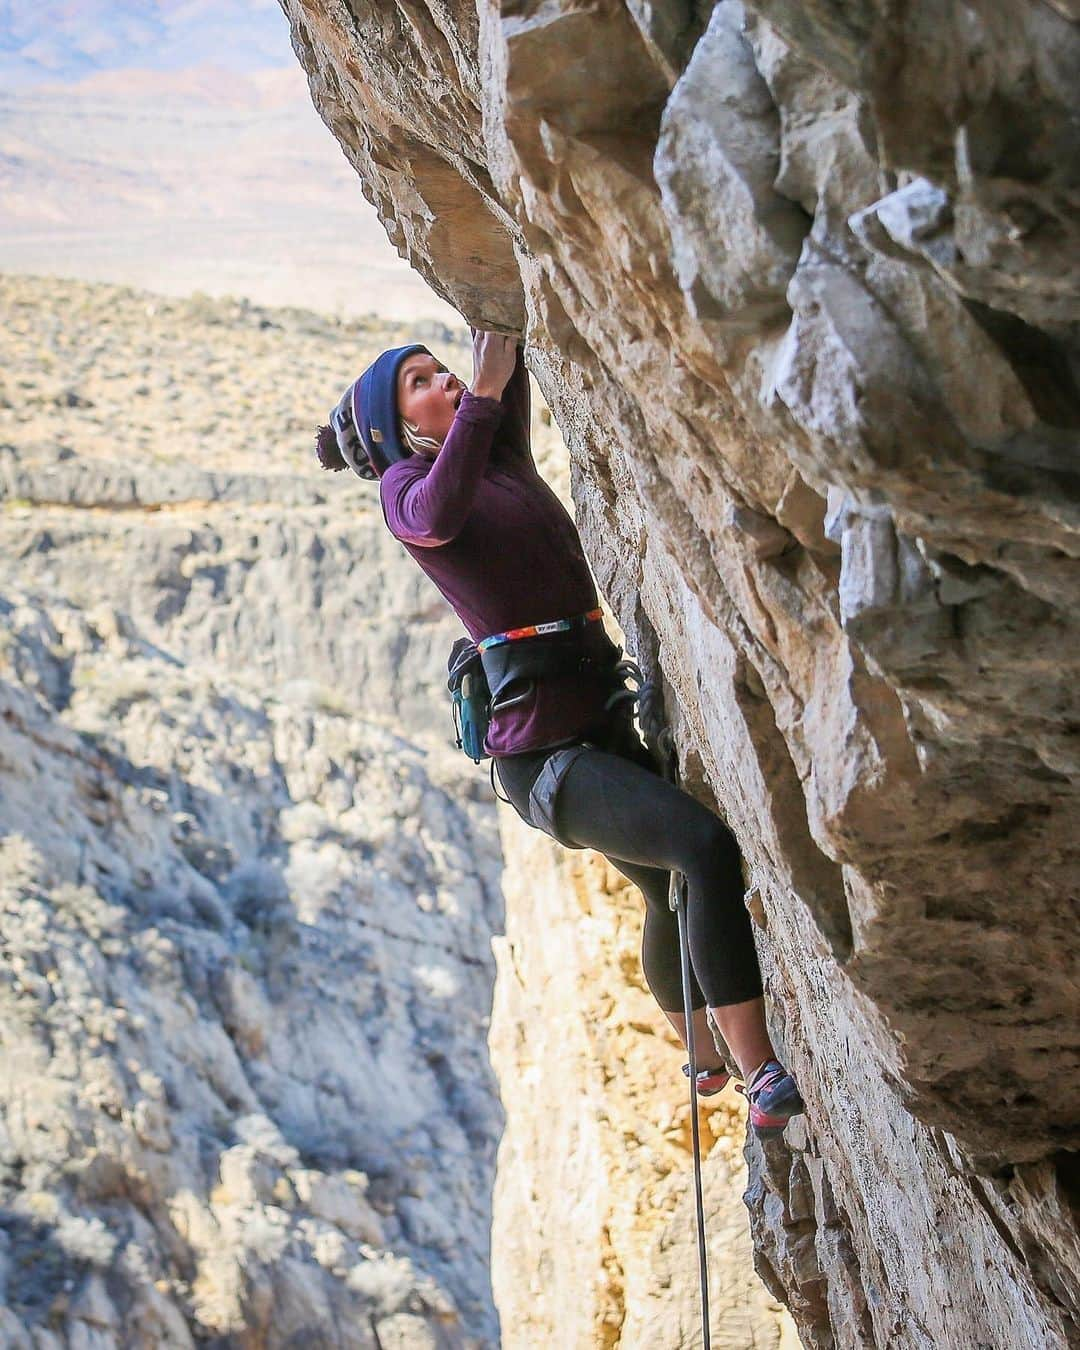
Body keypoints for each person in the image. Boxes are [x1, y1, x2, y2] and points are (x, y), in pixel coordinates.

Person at [314, 329, 803, 1137]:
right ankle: (762, 1075)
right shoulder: (406, 487)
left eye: (441, 368)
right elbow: (437, 518)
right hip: (543, 756)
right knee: (703, 852)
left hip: (592, 713)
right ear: (393, 428)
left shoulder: (493, 457)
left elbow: (507, 369)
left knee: (662, 889)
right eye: (421, 382)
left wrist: (490, 366)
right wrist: (479, 395)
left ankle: (707, 1056)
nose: (445, 381)